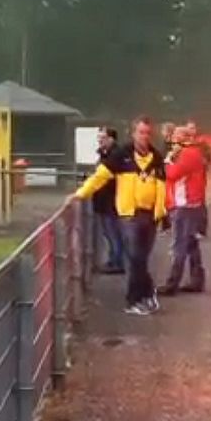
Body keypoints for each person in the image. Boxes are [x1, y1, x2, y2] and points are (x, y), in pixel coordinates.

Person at [71, 116, 167, 315]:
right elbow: (100, 176)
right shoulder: (122, 155)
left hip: (150, 216)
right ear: (133, 133)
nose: (145, 137)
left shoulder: (156, 158)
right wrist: (81, 194)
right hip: (129, 215)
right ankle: (136, 299)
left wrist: (162, 212)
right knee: (135, 257)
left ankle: (144, 296)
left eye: (148, 133)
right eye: (141, 132)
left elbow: (162, 187)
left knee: (140, 259)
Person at [159, 125, 208, 295]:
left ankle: (172, 284)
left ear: (183, 139)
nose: (172, 141)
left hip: (185, 205)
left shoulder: (188, 154)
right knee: (191, 244)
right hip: (192, 204)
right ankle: (197, 280)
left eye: (175, 138)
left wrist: (168, 160)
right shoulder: (195, 153)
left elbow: (172, 174)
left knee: (179, 245)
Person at [93, 126, 125, 274]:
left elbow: (105, 176)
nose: (99, 141)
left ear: (111, 139)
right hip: (105, 200)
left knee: (113, 233)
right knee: (109, 233)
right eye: (99, 138)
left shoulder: (114, 156)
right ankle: (114, 260)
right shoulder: (105, 154)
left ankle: (118, 263)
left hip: (111, 201)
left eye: (103, 138)